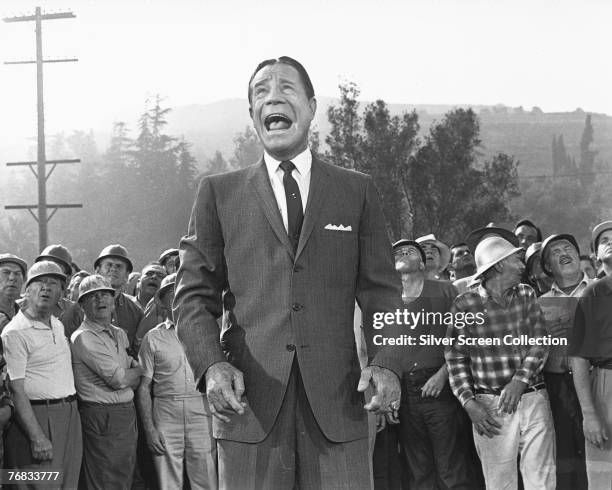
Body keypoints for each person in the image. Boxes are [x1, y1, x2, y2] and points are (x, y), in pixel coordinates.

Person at [174, 56, 403, 489]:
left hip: (341, 405)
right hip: (249, 408)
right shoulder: (218, 193)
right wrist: (212, 367)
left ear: (312, 106)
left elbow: (384, 293)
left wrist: (388, 363)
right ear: (252, 114)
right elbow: (190, 297)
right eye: (261, 91)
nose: (272, 97)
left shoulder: (356, 190)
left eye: (286, 88)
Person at [445, 236, 556, 489]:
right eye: (516, 259)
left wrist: (520, 380)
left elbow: (540, 342)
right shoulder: (464, 305)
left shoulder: (526, 293)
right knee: (499, 484)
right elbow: (456, 358)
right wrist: (468, 402)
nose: (521, 265)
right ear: (498, 266)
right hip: (490, 407)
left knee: (542, 480)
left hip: (533, 397)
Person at [393, 239, 477, 489]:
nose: (403, 254)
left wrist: (444, 374)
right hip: (403, 390)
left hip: (440, 387)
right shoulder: (385, 297)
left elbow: (466, 336)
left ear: (422, 262)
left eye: (410, 251)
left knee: (450, 467)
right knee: (418, 471)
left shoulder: (446, 290)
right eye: (397, 252)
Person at [2, 261, 82, 489]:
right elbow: (16, 390)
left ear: (62, 293)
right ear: (27, 290)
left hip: (68, 415)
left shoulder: (57, 324)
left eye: (53, 284)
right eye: (39, 283)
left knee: (67, 483)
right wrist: (37, 436)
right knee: (38, 484)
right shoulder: (15, 332)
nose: (46, 289)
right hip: (36, 418)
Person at [138, 274, 217, 489]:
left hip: (201, 407)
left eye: (182, 293)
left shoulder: (208, 333)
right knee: (168, 481)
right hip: (165, 410)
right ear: (162, 303)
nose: (178, 301)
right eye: (172, 296)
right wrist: (150, 429)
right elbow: (143, 387)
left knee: (206, 477)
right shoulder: (152, 338)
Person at [70, 274, 142, 489]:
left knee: (124, 476)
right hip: (102, 415)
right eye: (91, 297)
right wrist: (139, 371)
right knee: (105, 478)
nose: (100, 300)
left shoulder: (119, 333)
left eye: (104, 295)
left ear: (114, 300)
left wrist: (133, 372)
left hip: (126, 414)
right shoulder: (84, 337)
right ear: (82, 305)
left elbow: (129, 369)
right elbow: (120, 380)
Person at [538, 234, 591, 489]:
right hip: (556, 386)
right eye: (555, 252)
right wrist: (545, 337)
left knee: (598, 450)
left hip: (595, 382)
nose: (564, 253)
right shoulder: (539, 303)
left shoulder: (602, 290)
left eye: (568, 247)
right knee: (564, 454)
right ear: (548, 266)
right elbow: (529, 354)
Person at [568, 220, 612, 488]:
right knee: (605, 476)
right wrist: (590, 414)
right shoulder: (593, 293)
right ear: (595, 255)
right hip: (606, 386)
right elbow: (579, 357)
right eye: (604, 240)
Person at [0, 253, 27, 329]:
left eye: (17, 274)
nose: (12, 278)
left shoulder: (26, 313)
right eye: (6, 272)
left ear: (24, 280)